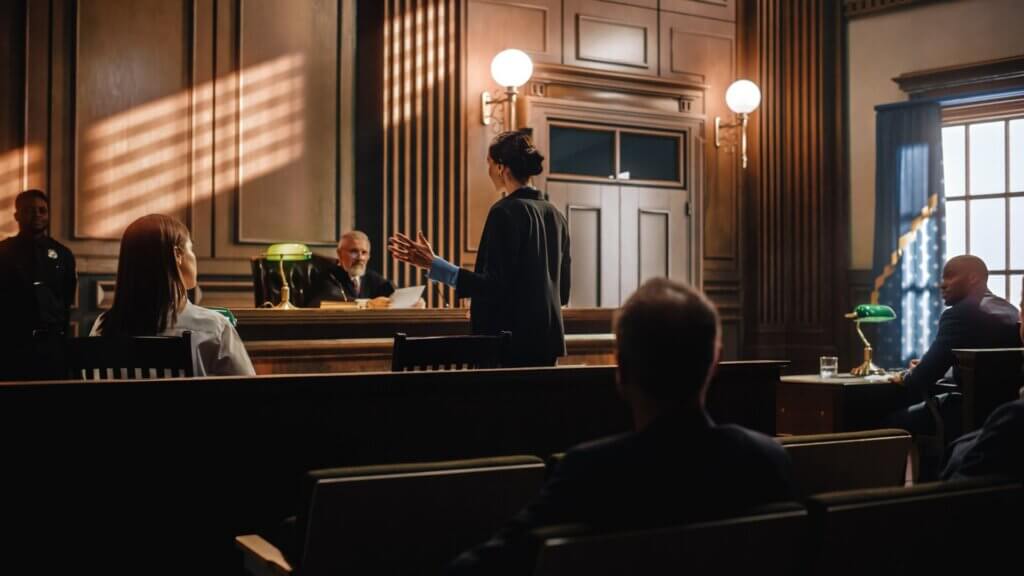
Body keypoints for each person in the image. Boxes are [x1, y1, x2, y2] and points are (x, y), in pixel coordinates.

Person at [445, 278, 795, 574]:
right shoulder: (767, 459)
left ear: (621, 370)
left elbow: (490, 564)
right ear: (714, 364)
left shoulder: (589, 472)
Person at [389, 130, 571, 366]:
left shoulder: (504, 212)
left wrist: (436, 265)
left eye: (488, 163)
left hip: (507, 347)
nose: (488, 171)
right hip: (546, 345)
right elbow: (563, 292)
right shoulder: (557, 216)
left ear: (500, 167)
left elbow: (494, 285)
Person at [90, 214, 255, 376]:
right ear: (177, 255)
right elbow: (249, 392)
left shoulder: (101, 327)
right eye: (191, 248)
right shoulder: (213, 327)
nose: (194, 256)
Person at [888, 256, 1019, 438]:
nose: (942, 285)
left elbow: (922, 378)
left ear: (973, 278)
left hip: (967, 413)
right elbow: (985, 366)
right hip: (1007, 415)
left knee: (890, 422)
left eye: (949, 277)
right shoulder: (1012, 311)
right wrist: (932, 366)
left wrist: (907, 375)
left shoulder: (958, 314)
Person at [941, 280, 1024, 482]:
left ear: (971, 277)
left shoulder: (1013, 420)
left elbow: (953, 505)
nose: (942, 284)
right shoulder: (1007, 309)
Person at [0, 189, 77, 380]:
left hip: (52, 347)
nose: (37, 215)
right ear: (17, 215)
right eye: (30, 210)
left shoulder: (63, 254)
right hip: (11, 345)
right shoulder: (3, 252)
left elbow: (66, 299)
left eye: (42, 210)